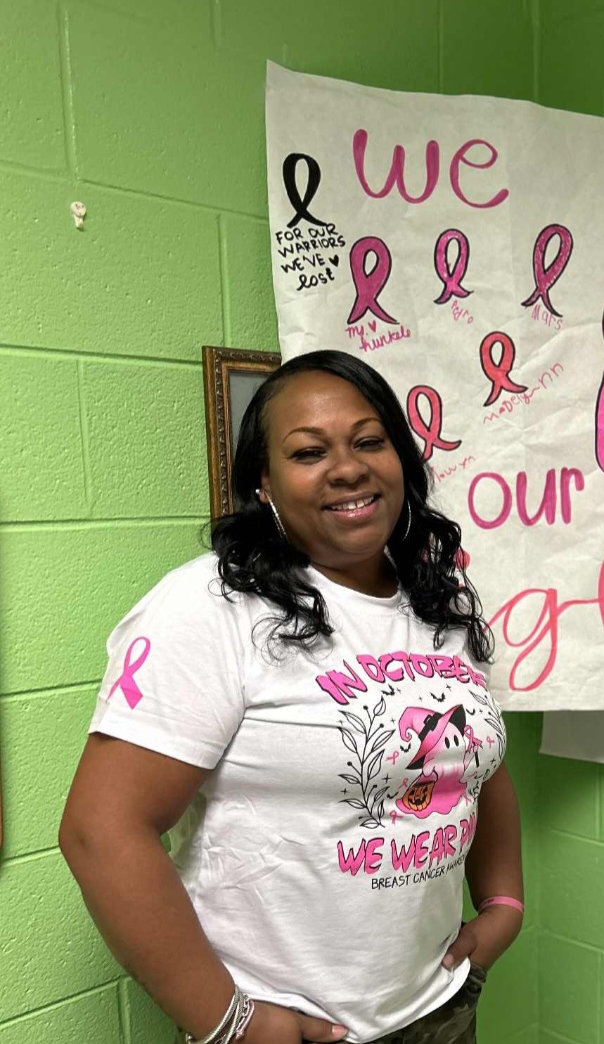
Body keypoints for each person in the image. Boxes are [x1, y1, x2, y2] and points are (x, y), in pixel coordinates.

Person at [60, 350, 524, 1044]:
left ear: (401, 460)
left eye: (370, 441)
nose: (348, 468)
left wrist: (504, 903)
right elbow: (100, 832)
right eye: (309, 452)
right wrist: (232, 1025)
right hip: (288, 1026)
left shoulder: (438, 598)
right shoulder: (212, 606)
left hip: (440, 1006)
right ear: (265, 483)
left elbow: (478, 763)